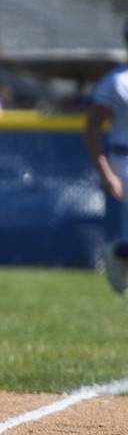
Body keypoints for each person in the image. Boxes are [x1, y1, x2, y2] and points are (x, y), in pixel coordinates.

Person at [84, 18, 128, 294]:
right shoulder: (117, 81)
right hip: (124, 160)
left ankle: (120, 252)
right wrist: (105, 172)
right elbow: (91, 128)